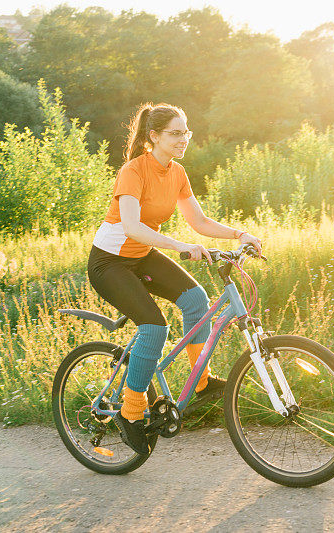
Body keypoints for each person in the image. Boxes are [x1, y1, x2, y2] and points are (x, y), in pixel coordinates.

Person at [87, 103, 261, 455]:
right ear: (154, 136)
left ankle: (201, 381)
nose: (184, 139)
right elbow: (133, 226)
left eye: (186, 132)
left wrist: (238, 234)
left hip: (141, 255)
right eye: (175, 133)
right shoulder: (133, 172)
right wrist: (180, 246)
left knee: (195, 300)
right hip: (109, 263)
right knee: (154, 327)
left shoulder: (177, 173)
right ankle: (131, 413)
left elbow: (199, 221)